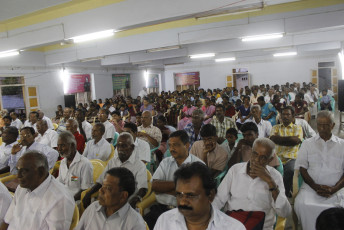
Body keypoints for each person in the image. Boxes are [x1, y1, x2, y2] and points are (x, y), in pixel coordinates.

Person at [213, 138, 292, 230]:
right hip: (233, 224)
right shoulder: (235, 170)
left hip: (261, 227)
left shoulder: (275, 176)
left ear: (270, 160)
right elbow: (218, 199)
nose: (257, 160)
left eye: (263, 157)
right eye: (255, 154)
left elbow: (285, 212)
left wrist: (270, 182)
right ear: (251, 152)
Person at [154, 162, 245, 230]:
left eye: (190, 195)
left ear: (210, 195)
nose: (182, 202)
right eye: (179, 194)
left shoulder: (233, 228)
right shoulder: (165, 221)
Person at [294, 111, 344, 230]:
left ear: (333, 125)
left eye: (326, 125)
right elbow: (302, 169)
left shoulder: (342, 145)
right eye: (319, 124)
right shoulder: (307, 144)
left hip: (338, 190)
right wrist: (315, 187)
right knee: (303, 204)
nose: (322, 128)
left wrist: (334, 189)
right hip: (312, 189)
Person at [145, 130, 204, 229]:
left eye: (175, 145)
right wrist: (182, 186)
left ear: (187, 145)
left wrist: (166, 188)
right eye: (170, 145)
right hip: (161, 208)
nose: (171, 149)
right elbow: (154, 186)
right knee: (142, 225)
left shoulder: (198, 166)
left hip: (187, 212)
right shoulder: (165, 162)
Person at [0, 151, 75, 230]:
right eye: (18, 170)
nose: (18, 175)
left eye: (24, 171)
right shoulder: (22, 188)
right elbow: (7, 221)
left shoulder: (60, 198)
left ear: (41, 172)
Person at [82, 132, 147, 210]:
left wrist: (135, 199)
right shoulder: (112, 162)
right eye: (118, 146)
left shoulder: (139, 166)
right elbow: (100, 181)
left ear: (132, 147)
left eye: (124, 146)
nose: (120, 149)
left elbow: (143, 188)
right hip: (107, 199)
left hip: (126, 202)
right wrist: (89, 193)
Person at [76, 167, 146, 230]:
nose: (101, 190)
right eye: (103, 185)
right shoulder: (93, 208)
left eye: (108, 188)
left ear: (123, 195)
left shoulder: (135, 223)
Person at [270, 106, 303, 197]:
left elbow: (296, 141)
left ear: (293, 116)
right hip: (277, 158)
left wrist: (279, 139)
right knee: (270, 171)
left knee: (290, 170)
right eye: (283, 114)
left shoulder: (298, 128)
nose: (285, 116)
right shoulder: (276, 127)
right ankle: (273, 192)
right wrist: (289, 140)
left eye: (288, 114)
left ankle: (284, 193)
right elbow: (272, 139)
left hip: (291, 158)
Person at [57, 131, 93, 201]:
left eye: (62, 145)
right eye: (58, 145)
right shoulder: (63, 162)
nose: (59, 149)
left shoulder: (84, 164)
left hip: (76, 201)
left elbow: (85, 190)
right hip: (63, 198)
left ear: (72, 145)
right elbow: (60, 182)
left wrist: (69, 201)